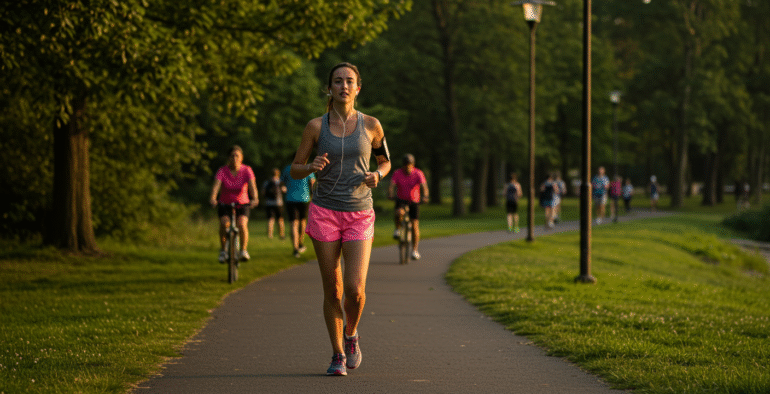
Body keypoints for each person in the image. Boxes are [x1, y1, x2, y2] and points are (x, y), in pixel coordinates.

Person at [289, 62, 391, 376]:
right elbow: (295, 168)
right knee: (332, 290)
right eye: (337, 81)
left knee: (356, 289)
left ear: (358, 88)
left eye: (349, 81)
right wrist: (311, 167)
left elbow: (385, 160)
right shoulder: (315, 127)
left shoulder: (372, 125)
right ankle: (336, 355)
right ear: (330, 88)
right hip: (325, 212)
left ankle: (351, 334)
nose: (343, 86)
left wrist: (378, 174)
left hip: (360, 212)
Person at [209, 145, 259, 263]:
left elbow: (253, 187)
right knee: (224, 224)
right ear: (228, 158)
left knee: (241, 224)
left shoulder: (247, 170)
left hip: (242, 204)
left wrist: (255, 198)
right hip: (225, 204)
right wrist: (213, 198)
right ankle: (223, 251)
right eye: (232, 156)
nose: (234, 158)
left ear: (241, 158)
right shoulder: (222, 171)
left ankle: (243, 250)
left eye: (237, 155)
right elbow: (216, 187)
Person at [389, 153, 429, 259]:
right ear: (403, 165)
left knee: (415, 225)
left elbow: (424, 187)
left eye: (409, 164)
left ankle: (415, 251)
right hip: (401, 200)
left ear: (413, 164)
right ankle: (397, 229)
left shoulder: (418, 173)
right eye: (406, 164)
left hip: (414, 201)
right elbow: (391, 185)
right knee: (399, 213)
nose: (407, 166)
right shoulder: (397, 173)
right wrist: (390, 194)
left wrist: (425, 196)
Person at [281, 163, 315, 258]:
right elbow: (313, 184)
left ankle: (296, 248)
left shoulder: (287, 168)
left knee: (294, 223)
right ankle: (299, 243)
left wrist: (284, 187)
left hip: (290, 199)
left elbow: (281, 183)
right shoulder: (308, 168)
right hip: (305, 199)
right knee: (302, 222)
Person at [262, 168, 286, 239]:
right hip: (278, 203)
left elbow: (263, 192)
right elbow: (284, 190)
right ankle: (281, 235)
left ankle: (270, 235)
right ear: (278, 174)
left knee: (270, 219)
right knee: (280, 219)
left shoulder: (267, 182)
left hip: (269, 203)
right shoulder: (280, 182)